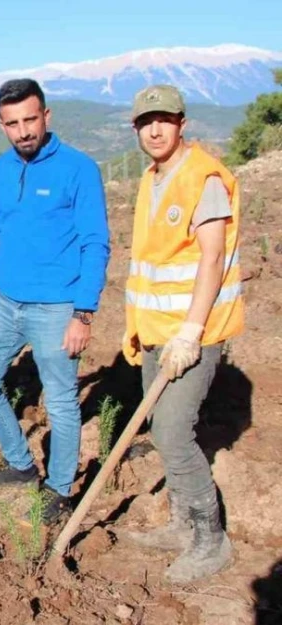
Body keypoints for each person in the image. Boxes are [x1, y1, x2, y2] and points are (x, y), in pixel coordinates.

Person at [0, 79, 111, 523]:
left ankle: (60, 489)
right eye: (13, 123)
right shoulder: (1, 171)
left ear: (47, 116)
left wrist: (83, 313)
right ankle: (22, 464)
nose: (24, 131)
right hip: (6, 302)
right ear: (1, 125)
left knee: (62, 403)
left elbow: (95, 243)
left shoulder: (78, 169)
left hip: (57, 308)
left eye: (31, 119)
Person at [117, 85, 242, 583]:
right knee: (162, 429)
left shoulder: (201, 176)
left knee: (171, 429)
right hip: (156, 332)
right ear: (136, 128)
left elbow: (212, 257)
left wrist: (190, 333)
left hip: (193, 334)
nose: (155, 129)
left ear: (181, 122)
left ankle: (210, 541)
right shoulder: (153, 177)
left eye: (164, 119)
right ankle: (181, 523)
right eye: (146, 121)